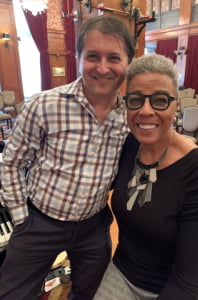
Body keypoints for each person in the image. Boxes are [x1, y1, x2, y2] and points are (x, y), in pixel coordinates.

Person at [0, 16, 135, 300]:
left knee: (90, 294)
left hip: (93, 225)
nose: (102, 67)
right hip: (39, 221)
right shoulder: (45, 104)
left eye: (114, 57)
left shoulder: (130, 117)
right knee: (13, 293)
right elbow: (10, 162)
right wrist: (21, 217)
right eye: (92, 56)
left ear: (128, 62)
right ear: (78, 57)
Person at [94, 54, 198, 300]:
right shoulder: (129, 146)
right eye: (135, 100)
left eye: (160, 101)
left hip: (179, 287)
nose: (145, 111)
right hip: (124, 272)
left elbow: (187, 280)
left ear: (176, 106)